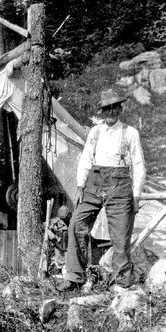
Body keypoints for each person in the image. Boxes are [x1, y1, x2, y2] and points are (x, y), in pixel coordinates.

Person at [58, 88, 146, 292]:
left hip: (120, 185)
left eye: (114, 107)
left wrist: (136, 195)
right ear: (101, 111)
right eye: (106, 108)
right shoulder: (95, 132)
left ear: (120, 108)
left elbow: (139, 165)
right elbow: (86, 159)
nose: (110, 112)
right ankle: (75, 277)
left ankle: (121, 281)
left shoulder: (130, 133)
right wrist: (80, 186)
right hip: (94, 184)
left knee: (120, 235)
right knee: (76, 225)